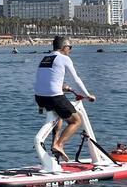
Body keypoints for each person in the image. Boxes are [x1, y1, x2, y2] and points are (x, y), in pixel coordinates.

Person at [34, 35, 96, 166]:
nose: (70, 50)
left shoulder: (46, 58)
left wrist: (63, 87)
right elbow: (76, 79)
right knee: (76, 120)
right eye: (70, 47)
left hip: (39, 97)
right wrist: (87, 95)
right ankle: (59, 144)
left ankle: (54, 149)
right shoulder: (64, 58)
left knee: (59, 117)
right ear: (64, 47)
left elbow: (46, 78)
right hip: (53, 97)